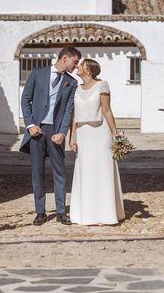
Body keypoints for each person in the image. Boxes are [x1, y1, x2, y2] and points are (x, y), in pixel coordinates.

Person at [20, 46, 81, 226]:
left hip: (56, 132)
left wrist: (63, 133)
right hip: (37, 131)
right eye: (75, 62)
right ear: (64, 58)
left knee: (59, 172)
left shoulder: (72, 82)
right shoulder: (38, 73)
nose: (76, 66)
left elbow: (69, 109)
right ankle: (40, 212)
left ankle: (61, 212)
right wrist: (30, 125)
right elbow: (25, 100)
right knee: (37, 172)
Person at [69, 58, 125, 225]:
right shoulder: (76, 89)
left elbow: (107, 110)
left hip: (101, 133)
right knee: (85, 171)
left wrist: (116, 133)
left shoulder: (102, 85)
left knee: (102, 170)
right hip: (83, 135)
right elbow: (74, 116)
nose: (77, 66)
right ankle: (85, 213)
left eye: (81, 64)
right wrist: (72, 138)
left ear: (89, 69)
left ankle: (106, 213)